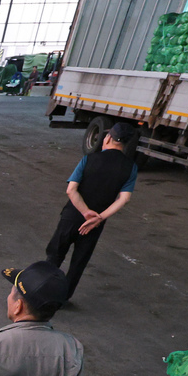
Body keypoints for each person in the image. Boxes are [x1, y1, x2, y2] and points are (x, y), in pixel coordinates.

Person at [45, 121, 138, 299]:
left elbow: (71, 190)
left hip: (71, 217)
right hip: (94, 225)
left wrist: (84, 211)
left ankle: (43, 293)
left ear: (108, 137)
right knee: (78, 262)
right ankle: (63, 299)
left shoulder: (89, 159)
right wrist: (98, 218)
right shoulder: (130, 167)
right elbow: (124, 198)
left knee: (54, 256)